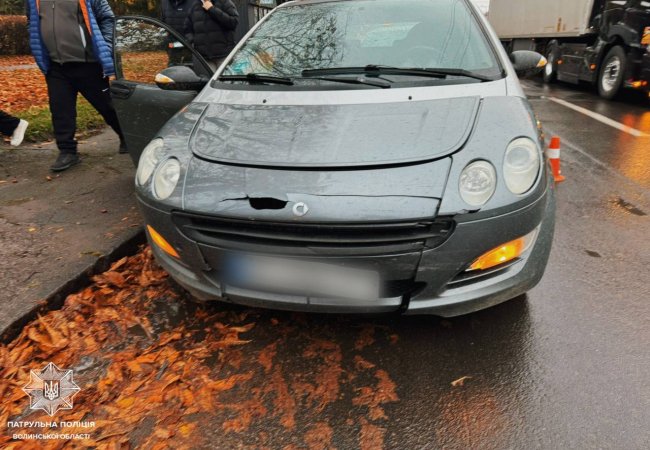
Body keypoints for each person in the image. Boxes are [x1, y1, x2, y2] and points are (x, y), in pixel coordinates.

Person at [25, 0, 127, 172]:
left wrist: (106, 45)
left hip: (88, 63)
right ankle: (67, 151)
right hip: (56, 65)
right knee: (60, 109)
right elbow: (32, 21)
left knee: (107, 105)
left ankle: (127, 137)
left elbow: (107, 19)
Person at [185, 0, 239, 71]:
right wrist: (193, 41)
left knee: (225, 78)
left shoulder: (225, 2)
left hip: (224, 55)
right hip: (204, 57)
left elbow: (233, 22)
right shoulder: (194, 6)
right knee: (209, 78)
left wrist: (212, 9)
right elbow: (187, 29)